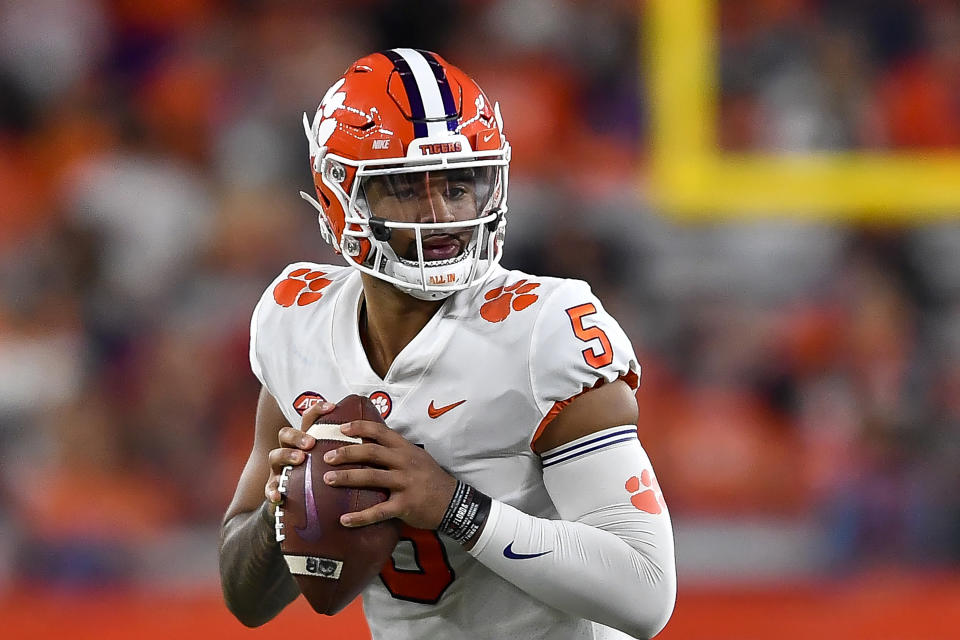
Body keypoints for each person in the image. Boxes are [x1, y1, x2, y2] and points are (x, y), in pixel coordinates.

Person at [218, 48, 676, 640]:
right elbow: (245, 600)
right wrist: (286, 513)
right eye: (406, 188)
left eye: (461, 186)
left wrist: (454, 507)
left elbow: (645, 593)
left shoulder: (544, 327)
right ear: (341, 196)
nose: (440, 215)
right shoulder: (296, 320)